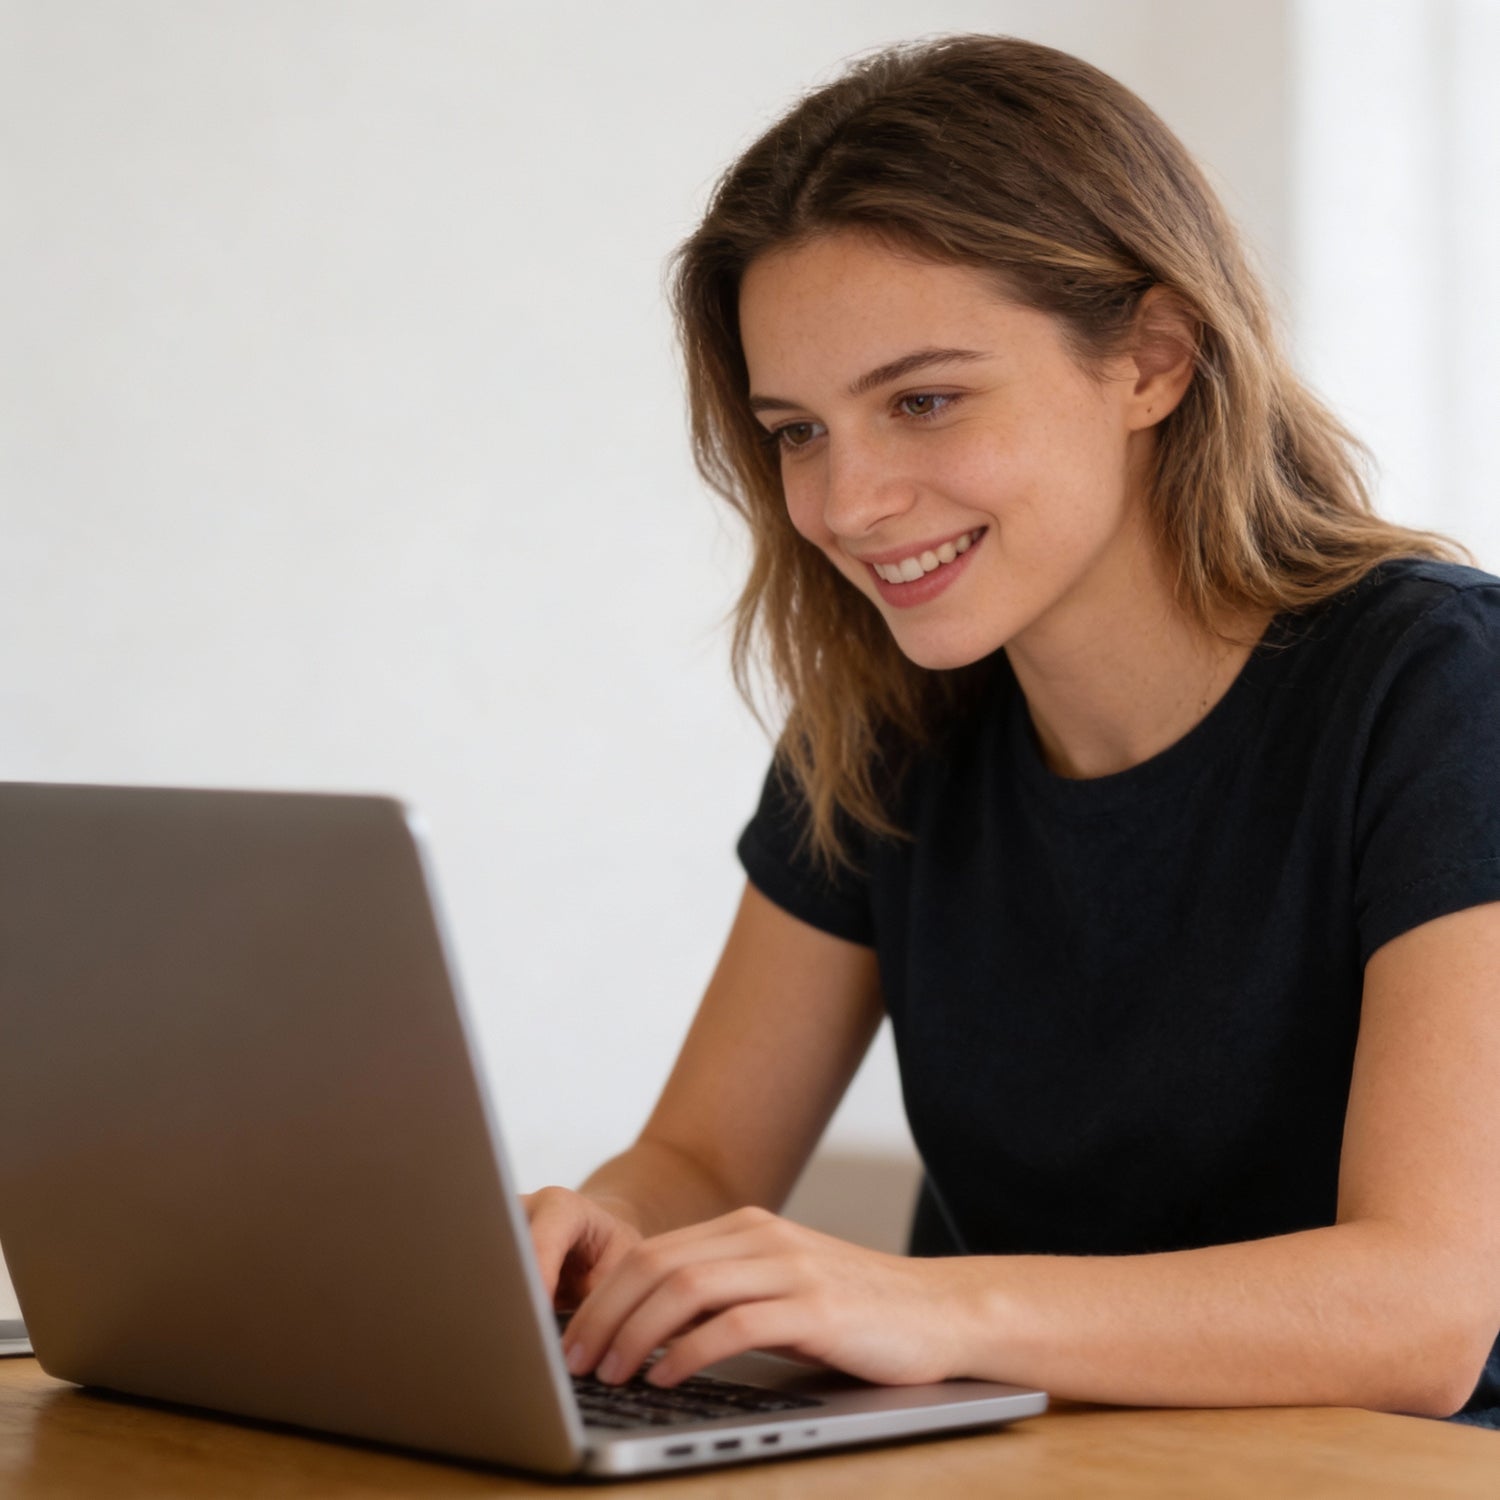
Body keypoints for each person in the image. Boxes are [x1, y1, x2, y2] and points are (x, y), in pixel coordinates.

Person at [522, 34, 1500, 1424]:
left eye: (922, 401)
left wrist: (921, 1307)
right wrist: (601, 1232)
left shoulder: (1444, 687)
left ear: (1153, 359)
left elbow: (1422, 1312)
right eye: (799, 431)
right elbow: (700, 1160)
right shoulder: (886, 722)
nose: (847, 504)